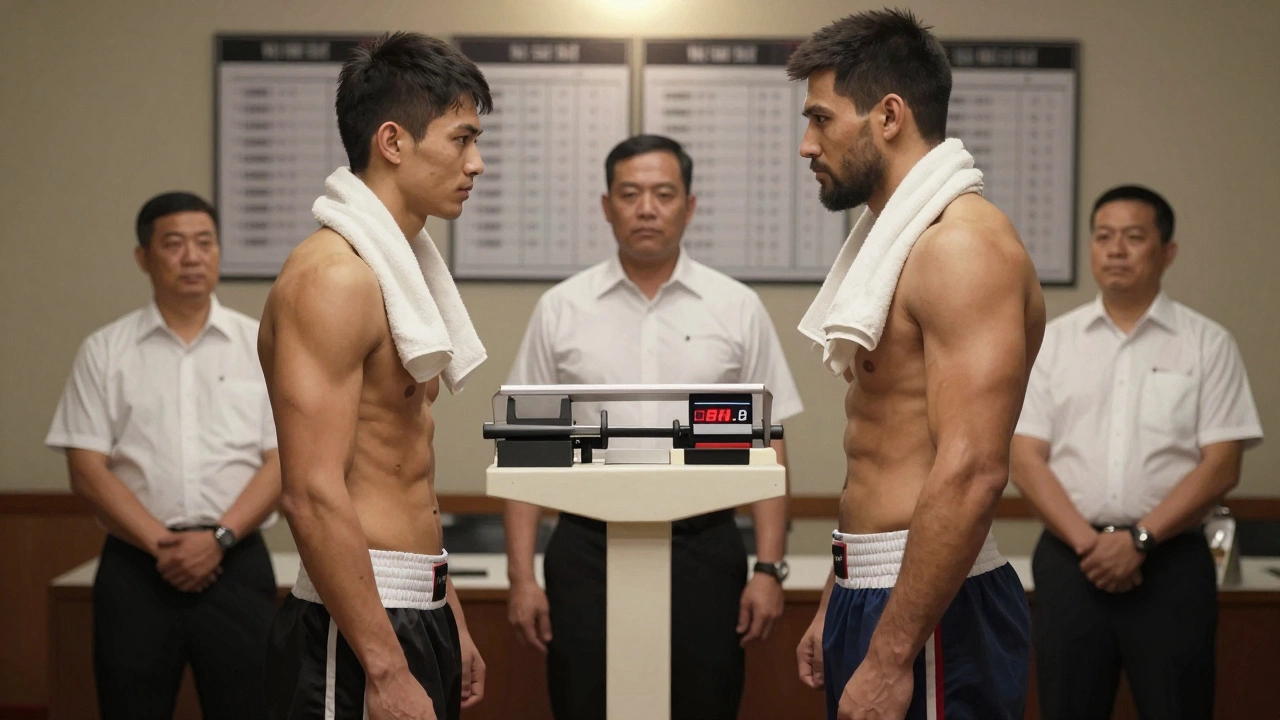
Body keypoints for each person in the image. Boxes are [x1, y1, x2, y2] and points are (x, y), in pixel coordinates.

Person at [787, 10, 1046, 720]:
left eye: (820, 118)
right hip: (880, 591)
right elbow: (889, 448)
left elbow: (971, 470)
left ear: (889, 116)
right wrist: (839, 595)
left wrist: (892, 652)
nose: (806, 145)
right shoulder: (901, 248)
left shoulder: (961, 250)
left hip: (934, 616)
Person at [503, 134, 804, 720]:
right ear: (606, 205)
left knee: (705, 705)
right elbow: (529, 448)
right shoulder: (561, 309)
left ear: (688, 206)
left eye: (664, 194)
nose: (646, 208)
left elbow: (767, 444)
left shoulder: (735, 307)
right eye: (630, 193)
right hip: (586, 550)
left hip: (705, 548)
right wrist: (521, 578)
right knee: (584, 705)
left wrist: (768, 568)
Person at [259, 32, 491, 720]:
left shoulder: (398, 275)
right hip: (359, 625)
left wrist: (447, 607)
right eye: (461, 139)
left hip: (413, 602)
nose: (476, 163)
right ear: (393, 141)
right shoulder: (333, 279)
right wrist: (385, 667)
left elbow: (400, 466)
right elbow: (310, 492)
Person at [1011, 185, 1263, 720]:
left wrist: (1139, 540)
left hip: (1171, 565)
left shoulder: (1207, 343)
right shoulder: (1052, 343)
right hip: (1070, 563)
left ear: (1166, 251)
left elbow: (1222, 464)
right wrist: (1091, 545)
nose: (1116, 250)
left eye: (1133, 237)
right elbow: (1024, 457)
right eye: (1103, 237)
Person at [45, 191, 281, 720]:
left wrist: (217, 540)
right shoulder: (105, 350)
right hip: (136, 566)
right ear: (143, 257)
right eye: (173, 243)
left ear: (219, 252)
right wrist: (166, 546)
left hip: (237, 561)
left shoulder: (260, 344)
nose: (192, 256)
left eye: (205, 242)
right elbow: (85, 468)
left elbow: (284, 460)